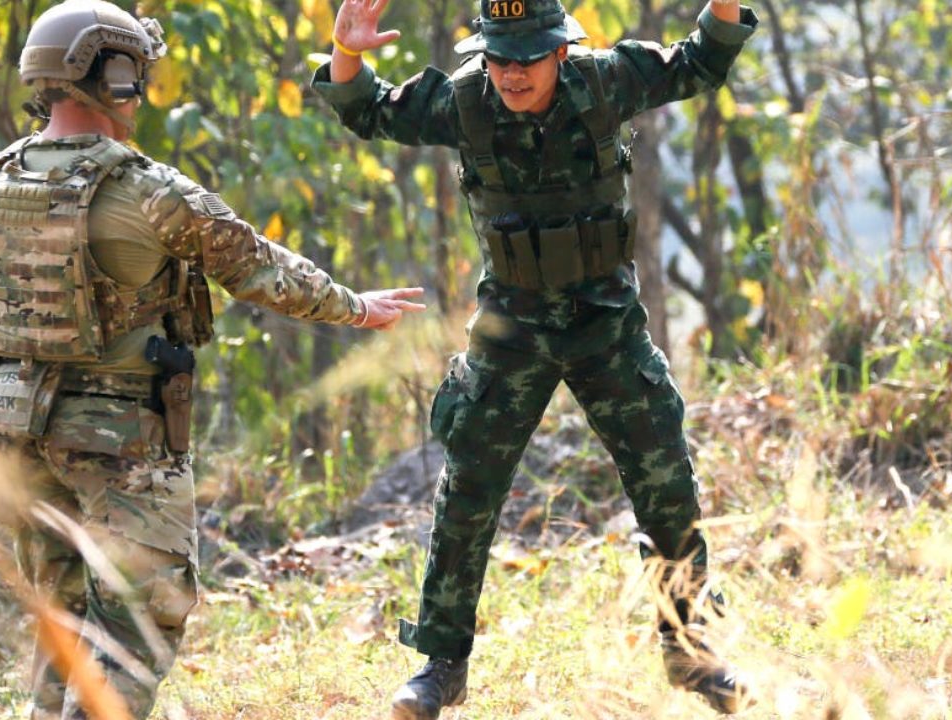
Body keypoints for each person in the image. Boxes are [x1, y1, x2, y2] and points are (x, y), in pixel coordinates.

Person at [0, 2, 425, 718]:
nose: (141, 90)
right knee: (142, 622)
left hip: (11, 440)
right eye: (137, 73)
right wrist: (356, 306)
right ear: (112, 76)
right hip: (119, 441)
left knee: (62, 625)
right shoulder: (148, 193)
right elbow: (256, 266)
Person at [312, 0, 757, 715]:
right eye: (500, 57)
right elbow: (367, 111)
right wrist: (346, 50)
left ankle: (690, 650)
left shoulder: (607, 82)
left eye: (527, 57)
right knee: (468, 493)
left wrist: (725, 8)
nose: (512, 73)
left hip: (604, 323)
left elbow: (701, 62)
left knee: (664, 480)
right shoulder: (463, 101)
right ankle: (440, 666)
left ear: (560, 52)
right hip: (511, 327)